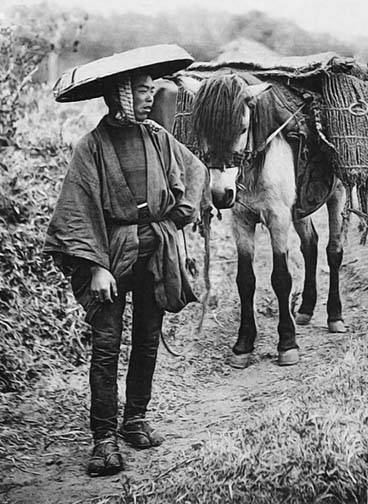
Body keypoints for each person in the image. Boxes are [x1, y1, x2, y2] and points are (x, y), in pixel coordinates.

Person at [45, 61, 208, 477]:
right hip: (112, 254)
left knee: (148, 338)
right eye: (140, 90)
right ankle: (103, 439)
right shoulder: (92, 146)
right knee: (106, 346)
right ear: (119, 94)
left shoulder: (158, 137)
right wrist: (97, 266)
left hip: (156, 253)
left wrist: (175, 219)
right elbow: (76, 212)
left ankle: (135, 419)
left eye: (151, 89)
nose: (149, 96)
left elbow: (195, 172)